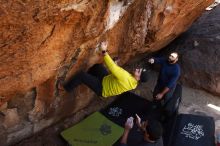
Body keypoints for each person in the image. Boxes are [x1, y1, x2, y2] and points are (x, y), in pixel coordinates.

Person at [62, 42, 148, 98]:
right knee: (97, 67)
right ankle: (85, 80)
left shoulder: (127, 78)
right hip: (106, 80)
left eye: (139, 72)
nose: (137, 69)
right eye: (139, 69)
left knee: (81, 75)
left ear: (139, 78)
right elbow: (118, 73)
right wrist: (116, 64)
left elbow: (113, 68)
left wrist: (104, 50)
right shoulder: (134, 83)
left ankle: (66, 88)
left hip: (102, 88)